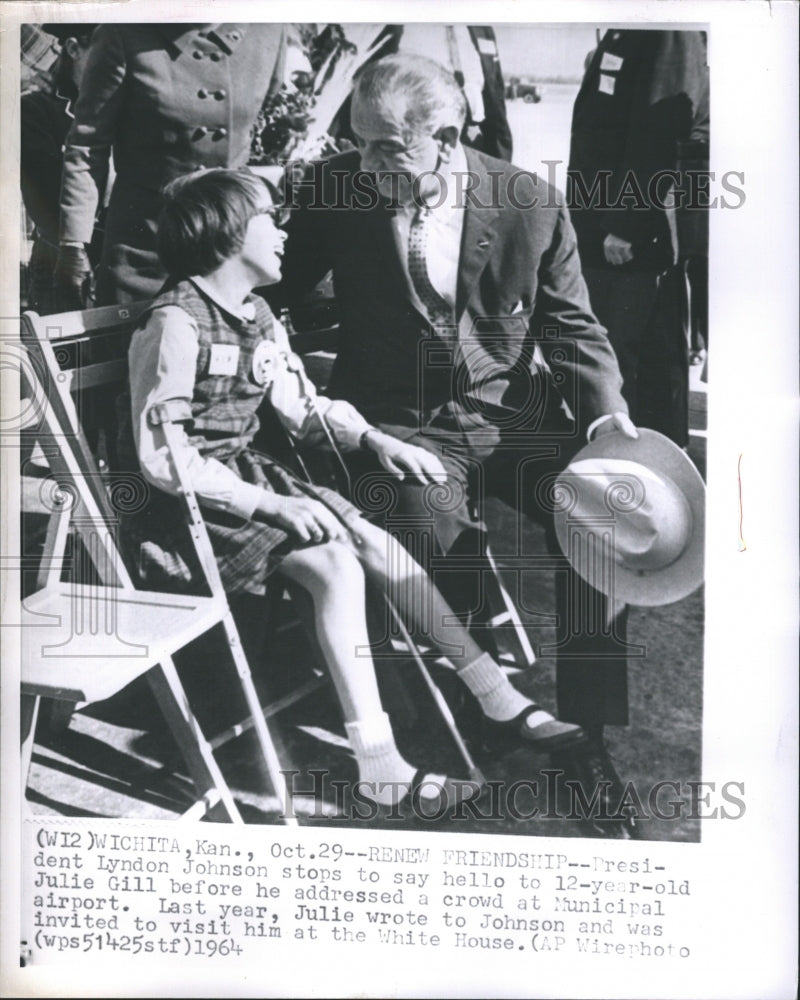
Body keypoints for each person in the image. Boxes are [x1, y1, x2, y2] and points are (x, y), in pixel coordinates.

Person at [116, 168, 586, 817]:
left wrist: (375, 441)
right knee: (338, 566)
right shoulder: (174, 323)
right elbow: (163, 456)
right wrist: (271, 503)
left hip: (253, 481)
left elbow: (305, 408)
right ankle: (380, 768)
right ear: (227, 237)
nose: (284, 234)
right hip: (189, 512)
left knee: (376, 543)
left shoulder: (257, 316)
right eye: (269, 221)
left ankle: (493, 693)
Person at [274, 54, 641, 834]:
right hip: (399, 417)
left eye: (386, 149)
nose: (367, 164)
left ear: (446, 136)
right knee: (428, 525)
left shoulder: (527, 201)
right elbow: (282, 294)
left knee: (599, 530)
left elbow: (570, 323)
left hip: (508, 408)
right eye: (359, 142)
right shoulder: (336, 187)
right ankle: (487, 693)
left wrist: (607, 417)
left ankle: (587, 739)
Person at [54, 22, 287, 309]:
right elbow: (88, 146)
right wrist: (73, 245)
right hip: (144, 251)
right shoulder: (123, 33)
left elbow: (263, 121)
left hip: (228, 253)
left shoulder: (269, 30)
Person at [568, 29, 710, 447]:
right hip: (605, 223)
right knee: (633, 353)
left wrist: (628, 222)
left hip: (627, 231)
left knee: (632, 358)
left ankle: (644, 468)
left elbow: (661, 128)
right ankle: (643, 463)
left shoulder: (667, 26)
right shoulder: (631, 25)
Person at [21, 23, 99, 314]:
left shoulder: (120, 109)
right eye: (104, 53)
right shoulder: (35, 110)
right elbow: (44, 205)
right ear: (73, 48)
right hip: (60, 265)